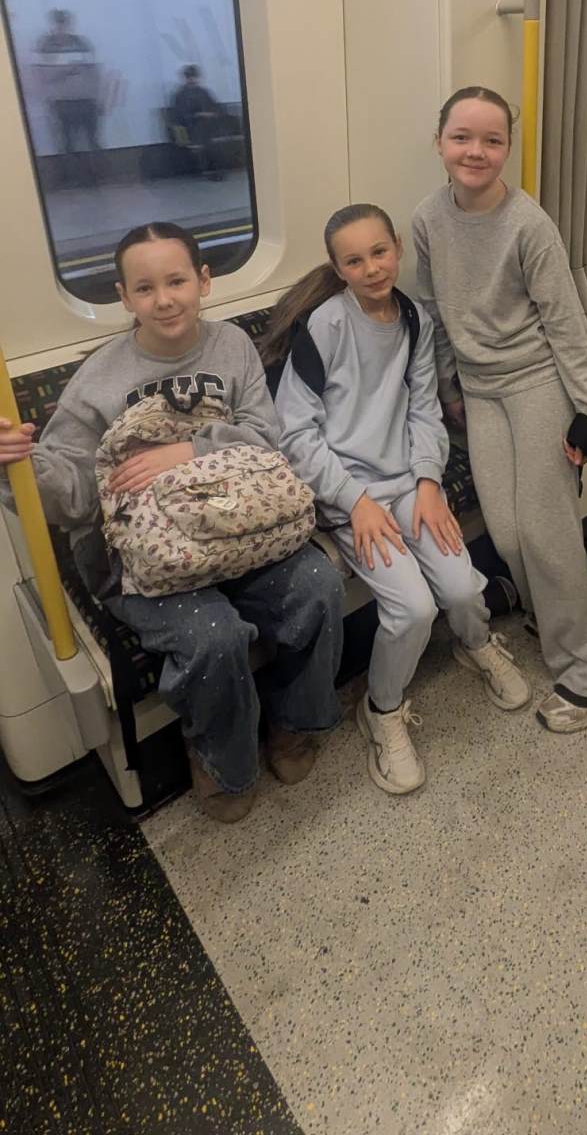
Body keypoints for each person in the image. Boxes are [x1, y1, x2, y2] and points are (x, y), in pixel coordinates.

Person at [0, 222, 343, 823]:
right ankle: (223, 761)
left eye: (177, 281)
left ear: (203, 282)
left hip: (236, 526)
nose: (164, 299)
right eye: (145, 288)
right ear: (124, 297)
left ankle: (293, 722)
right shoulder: (100, 378)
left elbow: (265, 437)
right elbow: (73, 493)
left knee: (318, 586)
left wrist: (189, 450)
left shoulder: (231, 346)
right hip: (142, 553)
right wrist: (19, 469)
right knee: (213, 636)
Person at [267, 204, 530, 796]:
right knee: (412, 608)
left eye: (379, 252)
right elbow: (296, 434)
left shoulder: (413, 319)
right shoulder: (324, 328)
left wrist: (429, 482)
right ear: (338, 268)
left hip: (409, 482)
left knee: (462, 587)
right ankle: (381, 709)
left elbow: (423, 409)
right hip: (349, 495)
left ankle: (476, 644)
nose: (371, 268)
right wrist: (354, 500)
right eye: (354, 260)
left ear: (397, 249)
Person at [412, 86, 587, 735]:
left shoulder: (529, 224)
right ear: (439, 142)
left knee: (547, 533)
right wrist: (449, 391)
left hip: (539, 383)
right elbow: (434, 313)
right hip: (479, 391)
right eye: (462, 137)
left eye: (492, 140)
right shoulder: (427, 219)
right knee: (507, 536)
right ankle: (553, 618)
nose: (475, 151)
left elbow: (566, 324)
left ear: (508, 148)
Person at [33, 8, 103, 181]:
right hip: (62, 102)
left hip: (86, 100)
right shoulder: (46, 46)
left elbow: (94, 72)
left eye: (65, 23)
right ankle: (72, 178)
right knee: (66, 143)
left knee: (93, 140)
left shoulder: (82, 43)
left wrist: (98, 97)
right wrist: (66, 70)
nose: (62, 28)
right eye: (59, 24)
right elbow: (42, 76)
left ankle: (97, 177)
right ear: (53, 25)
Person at [171, 64, 225, 180]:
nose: (193, 79)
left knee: (211, 135)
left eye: (194, 77)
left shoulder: (203, 92)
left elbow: (216, 107)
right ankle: (211, 170)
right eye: (190, 77)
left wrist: (212, 114)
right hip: (191, 126)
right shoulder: (181, 94)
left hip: (207, 125)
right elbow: (180, 115)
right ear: (186, 78)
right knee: (204, 136)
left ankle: (214, 169)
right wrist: (198, 115)